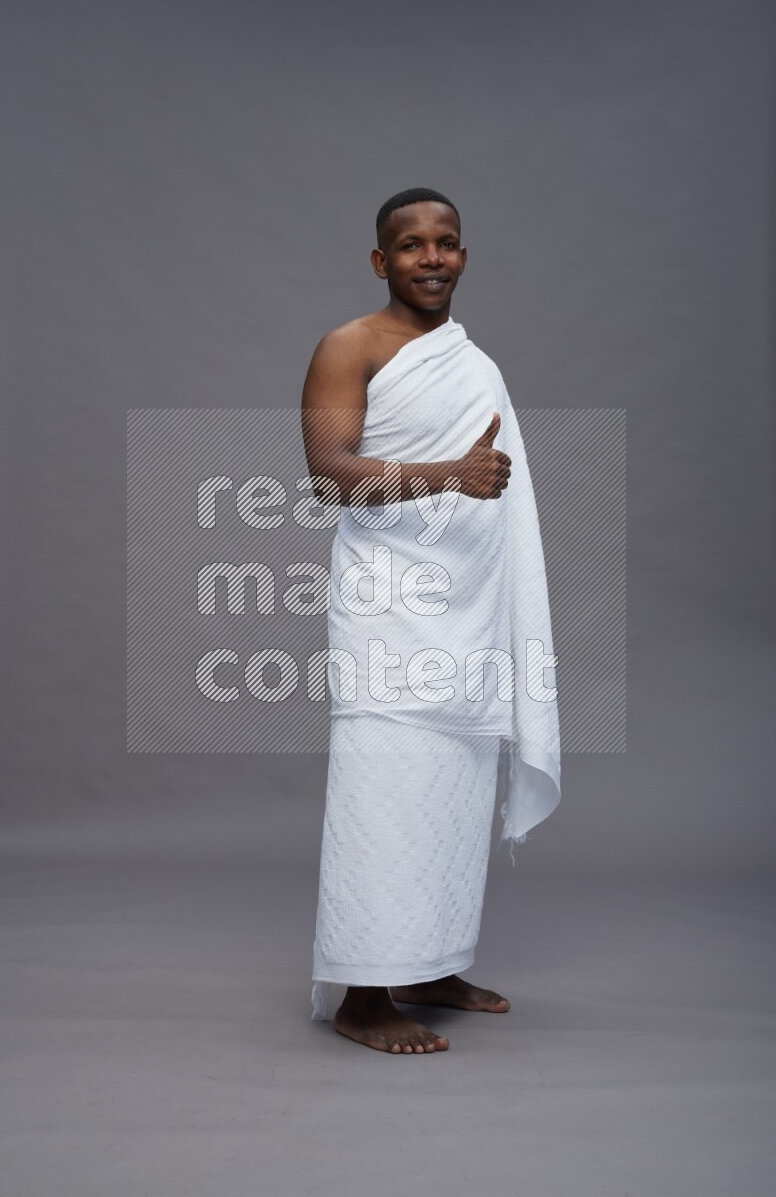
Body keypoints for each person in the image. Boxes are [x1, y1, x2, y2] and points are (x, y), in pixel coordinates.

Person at [301, 188, 561, 1054]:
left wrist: (468, 481)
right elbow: (330, 473)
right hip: (388, 598)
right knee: (385, 785)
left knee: (451, 781)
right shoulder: (350, 347)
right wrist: (450, 473)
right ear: (381, 261)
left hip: (467, 600)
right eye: (411, 245)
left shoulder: (470, 359)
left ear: (463, 253)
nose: (432, 257)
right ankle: (364, 995)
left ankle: (429, 961)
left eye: (447, 242)